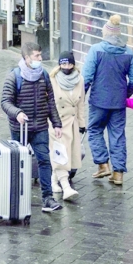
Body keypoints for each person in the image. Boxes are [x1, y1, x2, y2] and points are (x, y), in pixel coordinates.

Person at [0, 41, 64, 213]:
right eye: (36, 55)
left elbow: (50, 100)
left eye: (40, 55)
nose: (40, 58)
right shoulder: (14, 76)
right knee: (18, 162)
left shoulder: (43, 75)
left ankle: (48, 198)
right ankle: (16, 197)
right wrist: (17, 113)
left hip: (40, 126)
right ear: (27, 57)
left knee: (44, 160)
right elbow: (5, 101)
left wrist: (56, 123)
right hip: (20, 128)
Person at [82, 14, 133, 186]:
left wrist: (80, 97)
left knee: (94, 130)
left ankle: (103, 165)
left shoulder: (96, 50)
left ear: (105, 33)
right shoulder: (128, 52)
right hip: (118, 102)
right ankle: (118, 173)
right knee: (118, 135)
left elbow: (86, 78)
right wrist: (125, 94)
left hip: (98, 101)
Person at [48, 51, 86, 201]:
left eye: (69, 63)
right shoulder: (52, 79)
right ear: (59, 65)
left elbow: (81, 103)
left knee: (66, 153)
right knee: (60, 153)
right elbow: (48, 103)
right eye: (63, 63)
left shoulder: (80, 79)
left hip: (72, 123)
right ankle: (66, 186)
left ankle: (53, 181)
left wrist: (82, 123)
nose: (66, 66)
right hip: (56, 123)